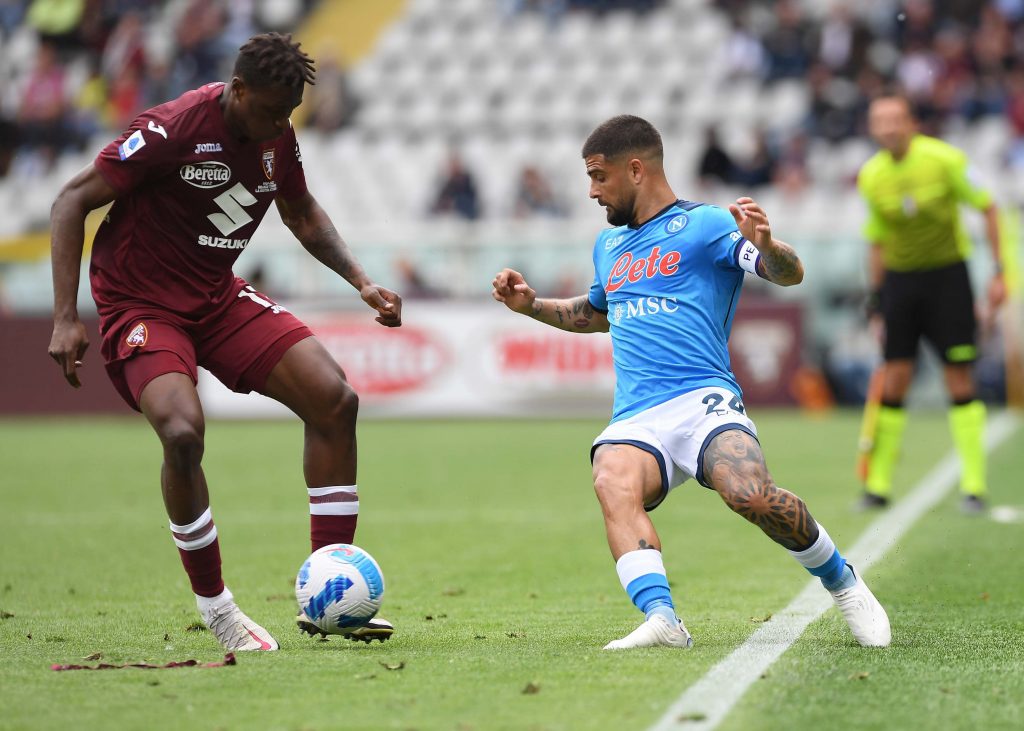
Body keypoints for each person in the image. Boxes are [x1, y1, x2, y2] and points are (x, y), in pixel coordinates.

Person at [47, 33, 403, 652]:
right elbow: (71, 200)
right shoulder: (172, 129)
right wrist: (64, 317)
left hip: (215, 296)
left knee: (333, 398)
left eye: (289, 113)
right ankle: (218, 610)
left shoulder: (275, 136)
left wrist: (361, 281)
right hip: (141, 304)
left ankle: (327, 593)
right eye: (271, 111)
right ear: (237, 90)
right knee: (183, 433)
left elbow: (301, 212)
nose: (280, 125)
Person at [491, 115, 891, 650]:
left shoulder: (706, 225)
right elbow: (596, 313)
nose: (592, 191)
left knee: (750, 495)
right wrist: (531, 305)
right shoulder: (608, 245)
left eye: (599, 177)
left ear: (636, 170)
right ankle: (663, 620)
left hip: (703, 400)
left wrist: (768, 245)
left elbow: (788, 273)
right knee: (611, 478)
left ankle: (843, 583)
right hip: (637, 414)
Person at [856, 94, 1004, 513]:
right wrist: (876, 298)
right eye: (879, 121)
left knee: (959, 377)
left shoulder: (945, 160)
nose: (888, 128)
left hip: (947, 279)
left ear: (912, 123)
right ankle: (878, 486)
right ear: (872, 128)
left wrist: (999, 273)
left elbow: (989, 208)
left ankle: (974, 486)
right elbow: (877, 240)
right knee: (894, 378)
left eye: (895, 120)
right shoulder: (871, 175)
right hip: (901, 284)